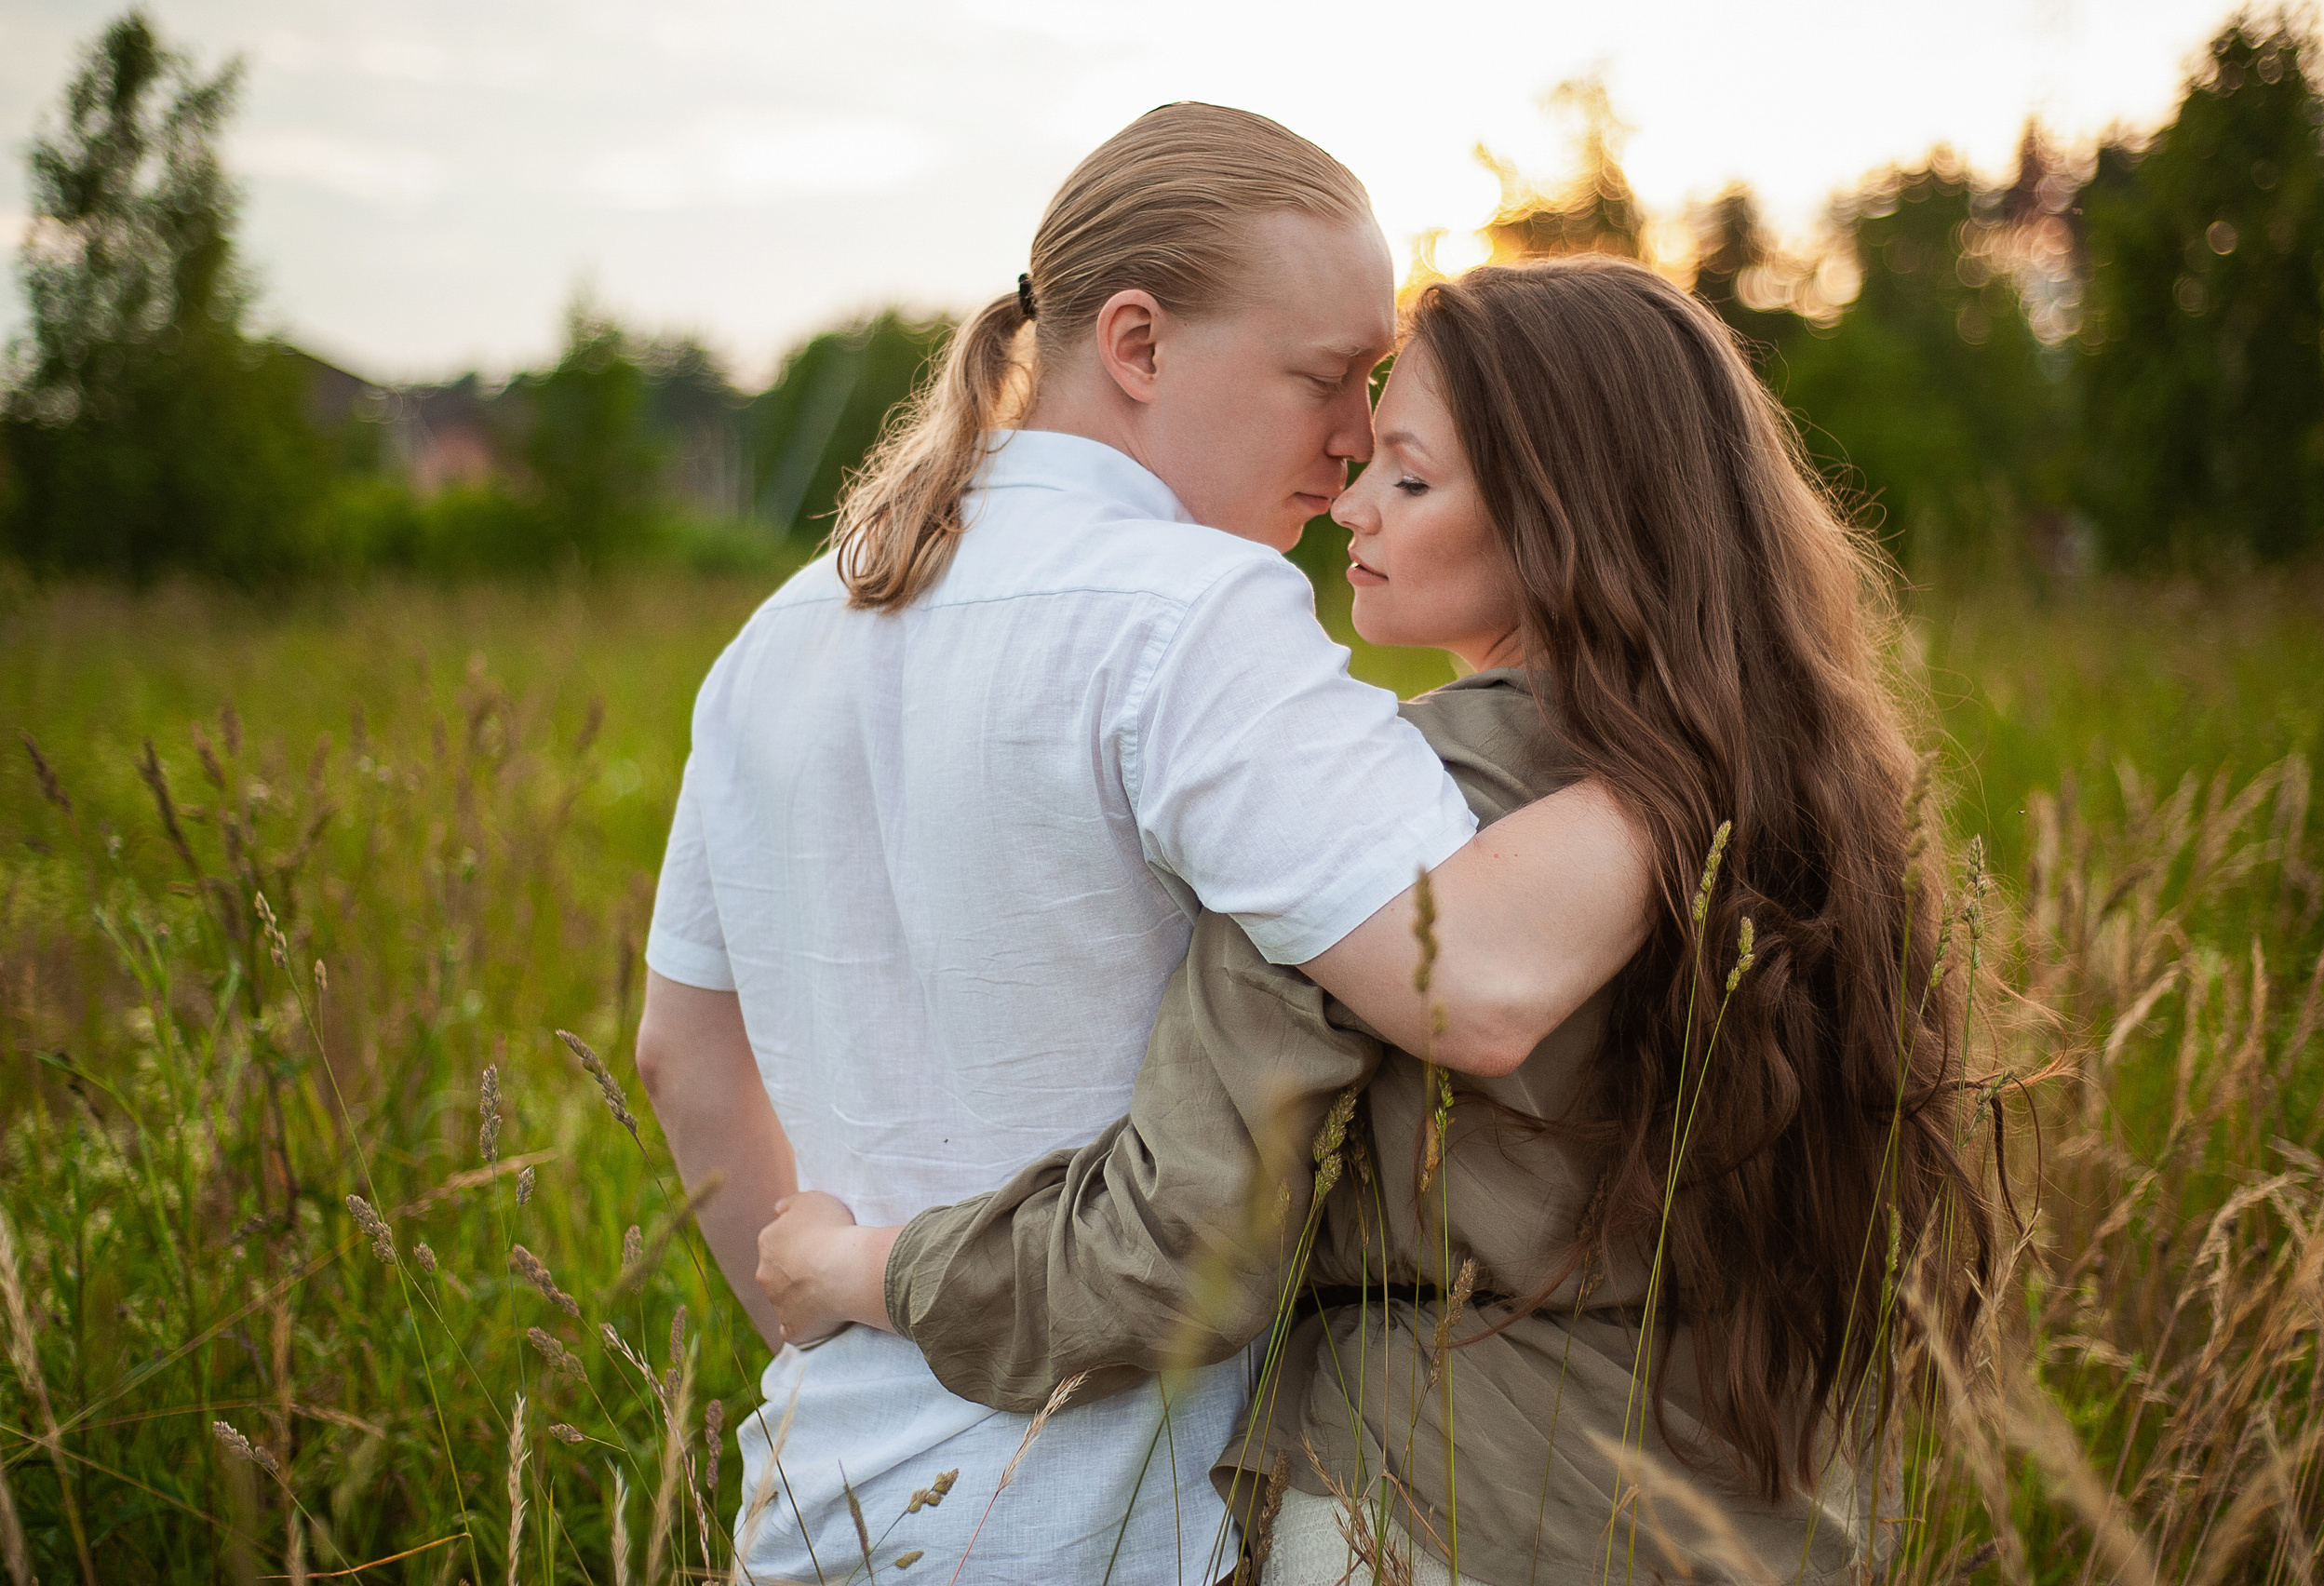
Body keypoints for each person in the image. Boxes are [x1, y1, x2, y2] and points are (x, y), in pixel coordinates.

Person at [761, 257, 1999, 1584]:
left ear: (1564, 522)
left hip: (1442, 1514)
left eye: (1409, 479)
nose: (1350, 501)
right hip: (1780, 1515)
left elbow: (1167, 1257)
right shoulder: (1817, 802)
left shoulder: (1371, 813)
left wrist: (858, 1267)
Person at [635, 107, 1644, 1584]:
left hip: (820, 1503)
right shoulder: (1192, 614)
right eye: (1325, 376)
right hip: (1112, 1514)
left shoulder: (779, 636)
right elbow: (1476, 984)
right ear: (1138, 344)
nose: (1356, 434)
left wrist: (841, 1334)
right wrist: (1720, 747)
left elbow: (682, 1060)